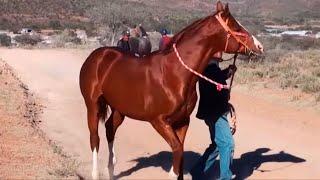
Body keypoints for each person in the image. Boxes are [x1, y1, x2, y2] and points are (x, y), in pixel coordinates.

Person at [190, 52, 237, 180]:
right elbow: (218, 78)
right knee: (227, 144)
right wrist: (229, 71)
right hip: (215, 114)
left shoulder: (207, 69)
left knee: (217, 144)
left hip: (212, 113)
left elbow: (219, 78)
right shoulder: (209, 70)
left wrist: (229, 72)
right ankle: (225, 177)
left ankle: (197, 171)